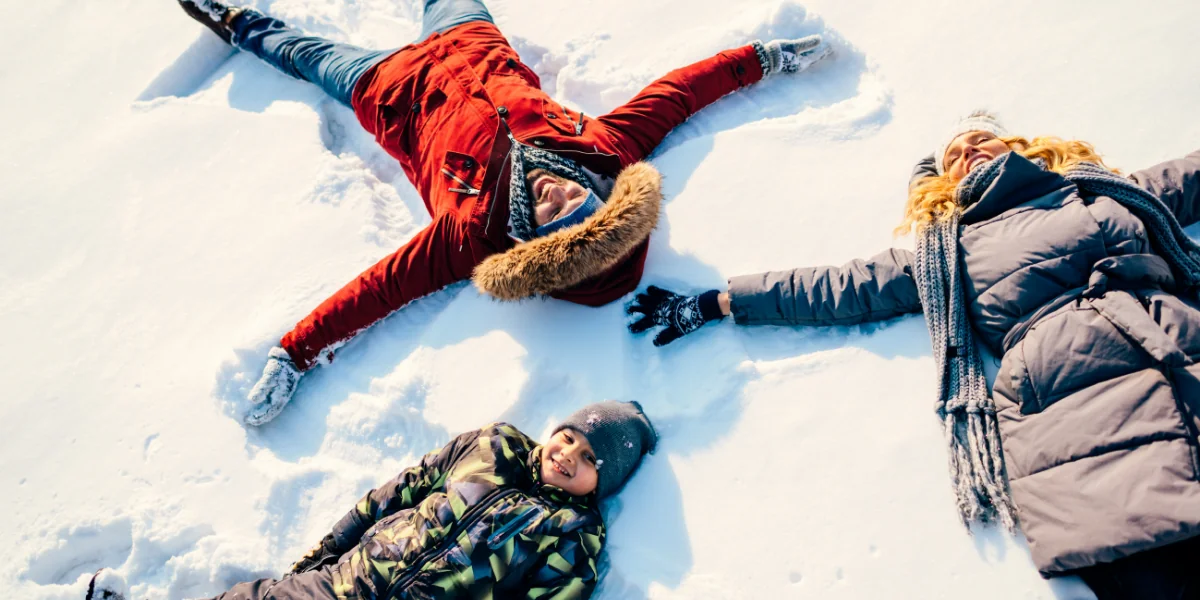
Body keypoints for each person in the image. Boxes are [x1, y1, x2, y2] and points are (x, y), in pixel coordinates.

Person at [175, 0, 833, 425]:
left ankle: (233, 22)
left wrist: (295, 354)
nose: (557, 191)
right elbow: (679, 93)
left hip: (388, 89)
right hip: (469, 38)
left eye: (551, 211)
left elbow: (376, 291)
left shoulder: (469, 239)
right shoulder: (604, 150)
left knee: (297, 54)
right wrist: (761, 59)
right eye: (575, 197)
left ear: (533, 241)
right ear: (599, 193)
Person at [628, 111, 1200, 598]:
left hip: (1174, 344)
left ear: (1019, 147)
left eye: (981, 138)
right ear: (942, 183)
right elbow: (843, 287)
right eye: (952, 154)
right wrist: (719, 302)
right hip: (1066, 413)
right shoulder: (944, 252)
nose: (968, 150)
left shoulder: (1099, 188)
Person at [86, 400, 658, 600]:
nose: (568, 456)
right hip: (345, 583)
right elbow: (397, 493)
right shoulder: (495, 445)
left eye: (588, 460)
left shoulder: (571, 537)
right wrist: (324, 555)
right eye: (569, 438)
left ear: (601, 485)